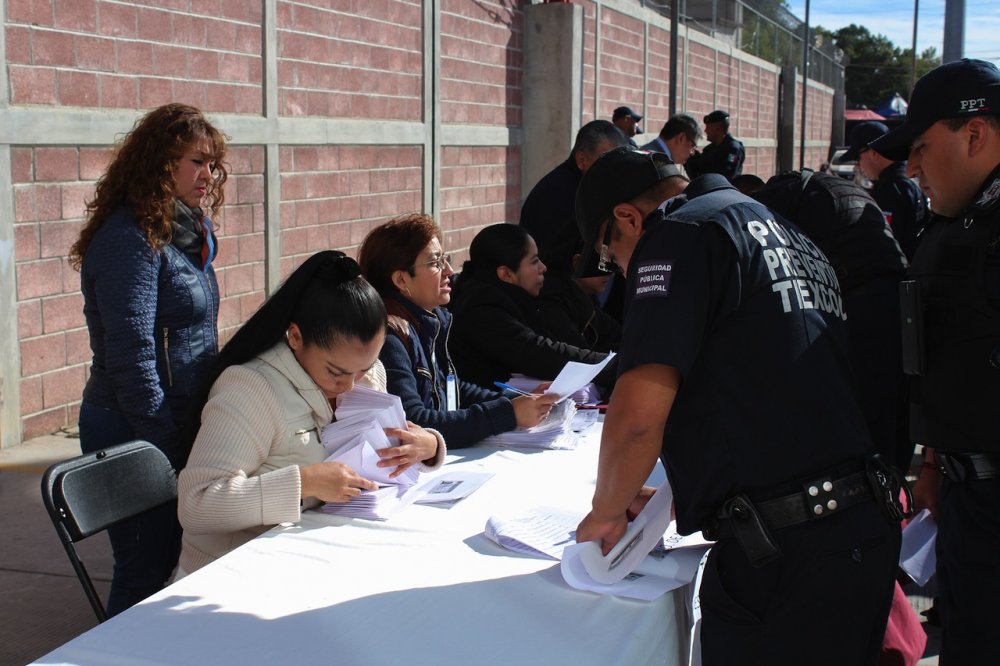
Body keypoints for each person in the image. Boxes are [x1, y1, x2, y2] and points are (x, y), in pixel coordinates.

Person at [573, 147, 904, 665]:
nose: (618, 269)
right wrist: (682, 494)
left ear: (628, 218)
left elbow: (637, 417)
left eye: (611, 255)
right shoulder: (782, 230)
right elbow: (768, 391)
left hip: (786, 557)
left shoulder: (676, 237)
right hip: (855, 529)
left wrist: (606, 514)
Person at [177, 251, 445, 574]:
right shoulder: (251, 389)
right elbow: (196, 503)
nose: (349, 386)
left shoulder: (368, 375)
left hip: (317, 559)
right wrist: (304, 483)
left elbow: (383, 454)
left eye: (362, 369)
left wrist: (427, 446)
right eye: (335, 372)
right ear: (295, 337)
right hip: (233, 574)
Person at [68, 103, 228, 616]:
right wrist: (165, 444)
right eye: (196, 162)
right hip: (130, 427)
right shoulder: (129, 240)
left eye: (212, 165)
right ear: (161, 163)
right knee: (142, 567)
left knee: (169, 562)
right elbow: (132, 354)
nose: (207, 176)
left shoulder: (183, 235)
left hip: (174, 421)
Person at [870, 58, 1000, 665]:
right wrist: (934, 460)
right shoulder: (964, 222)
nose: (912, 167)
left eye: (921, 147)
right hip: (965, 497)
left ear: (974, 135)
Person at [752, 169, 910, 469]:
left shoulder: (786, 203)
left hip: (864, 312)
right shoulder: (831, 190)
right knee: (890, 427)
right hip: (898, 306)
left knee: (863, 428)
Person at [357, 214, 558, 449]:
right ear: (401, 279)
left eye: (446, 259)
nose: (449, 271)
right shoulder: (390, 337)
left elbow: (449, 387)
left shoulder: (431, 320)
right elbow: (414, 422)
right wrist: (507, 413)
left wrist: (517, 401)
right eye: (435, 263)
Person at [449, 223, 616, 392]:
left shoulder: (519, 299)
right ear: (506, 274)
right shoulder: (481, 309)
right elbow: (540, 353)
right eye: (534, 261)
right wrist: (615, 366)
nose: (543, 268)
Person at [519, 119, 628, 275]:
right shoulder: (557, 194)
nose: (615, 171)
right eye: (606, 162)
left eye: (619, 162)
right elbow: (553, 260)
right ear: (581, 159)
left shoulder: (589, 187)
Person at [844, 120, 928, 261]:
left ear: (874, 152)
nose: (858, 165)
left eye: (858, 158)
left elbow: (882, 245)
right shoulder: (908, 180)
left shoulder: (891, 189)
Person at [687, 109, 745, 179]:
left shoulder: (733, 149)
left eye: (708, 127)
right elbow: (697, 172)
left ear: (717, 129)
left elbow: (727, 176)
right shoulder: (709, 149)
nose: (705, 130)